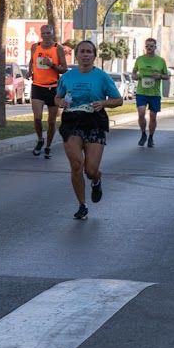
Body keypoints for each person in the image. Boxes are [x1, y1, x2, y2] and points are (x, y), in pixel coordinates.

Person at [56, 40, 123, 220]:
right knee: (76, 165)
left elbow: (118, 100)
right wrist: (60, 102)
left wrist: (104, 103)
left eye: (89, 52)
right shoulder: (67, 77)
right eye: (82, 52)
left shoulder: (102, 77)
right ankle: (82, 205)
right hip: (72, 121)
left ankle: (97, 179)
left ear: (94, 56)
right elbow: (58, 97)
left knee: (90, 170)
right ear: (76, 55)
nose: (85, 55)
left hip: (94, 121)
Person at [25, 25, 68, 159]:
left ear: (52, 33)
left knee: (51, 121)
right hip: (37, 86)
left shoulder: (58, 48)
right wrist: (29, 71)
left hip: (53, 88)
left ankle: (48, 146)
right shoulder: (35, 47)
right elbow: (32, 62)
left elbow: (64, 69)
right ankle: (40, 139)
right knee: (37, 118)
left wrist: (52, 65)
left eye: (48, 33)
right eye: (43, 33)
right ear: (41, 34)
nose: (46, 36)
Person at [131, 38, 170, 148]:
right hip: (141, 92)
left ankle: (151, 137)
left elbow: (166, 76)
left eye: (151, 46)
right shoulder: (140, 59)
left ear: (155, 47)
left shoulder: (160, 61)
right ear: (145, 47)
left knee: (153, 116)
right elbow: (134, 72)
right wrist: (135, 76)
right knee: (141, 113)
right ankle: (143, 133)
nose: (149, 48)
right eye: (147, 46)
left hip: (155, 93)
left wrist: (160, 76)